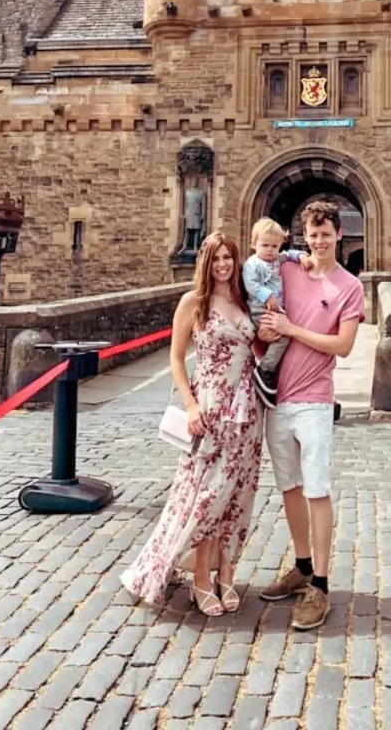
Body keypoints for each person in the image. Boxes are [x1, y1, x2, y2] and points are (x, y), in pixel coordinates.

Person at [120, 232, 262, 616]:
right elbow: (176, 358)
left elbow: (260, 347)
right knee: (206, 496)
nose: (223, 265)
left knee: (238, 494)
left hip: (247, 411)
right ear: (205, 263)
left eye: (228, 258)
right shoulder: (192, 302)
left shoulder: (246, 301)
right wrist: (191, 405)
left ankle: (226, 574)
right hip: (210, 408)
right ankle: (200, 578)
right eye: (216, 258)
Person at [257, 200, 364, 630]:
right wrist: (266, 332)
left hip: (315, 402)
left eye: (325, 234)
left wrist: (292, 330)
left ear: (339, 234)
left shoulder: (349, 287)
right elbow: (254, 279)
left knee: (317, 490)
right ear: (304, 236)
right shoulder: (287, 270)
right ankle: (301, 566)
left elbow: (344, 346)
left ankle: (320, 584)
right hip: (277, 400)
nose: (319, 242)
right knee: (289, 487)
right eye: (312, 235)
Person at [242, 217, 312, 409]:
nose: (270, 250)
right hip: (260, 310)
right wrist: (267, 296)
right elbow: (251, 285)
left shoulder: (276, 259)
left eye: (274, 246)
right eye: (265, 245)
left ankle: (269, 370)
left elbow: (288, 255)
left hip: (274, 309)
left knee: (282, 337)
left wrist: (301, 256)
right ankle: (265, 369)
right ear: (253, 244)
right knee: (282, 337)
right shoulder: (252, 264)